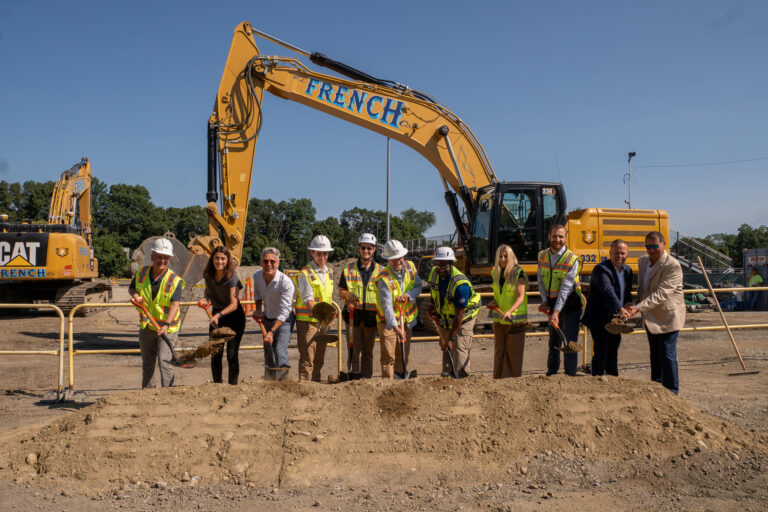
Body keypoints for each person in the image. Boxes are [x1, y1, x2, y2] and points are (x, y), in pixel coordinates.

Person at [623, 231, 685, 394]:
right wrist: (634, 304)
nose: (651, 250)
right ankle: (657, 390)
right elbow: (643, 288)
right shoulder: (643, 261)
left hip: (668, 316)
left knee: (667, 354)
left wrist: (638, 308)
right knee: (655, 355)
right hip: (650, 316)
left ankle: (672, 392)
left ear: (664, 245)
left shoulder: (672, 265)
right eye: (648, 246)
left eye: (654, 246)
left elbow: (662, 293)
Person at [129, 238, 185, 389]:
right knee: (148, 364)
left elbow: (175, 304)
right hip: (147, 326)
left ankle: (167, 396)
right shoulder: (141, 273)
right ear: (152, 256)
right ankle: (148, 395)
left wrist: (166, 325)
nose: (162, 260)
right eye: (159, 256)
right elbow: (132, 288)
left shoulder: (174, 280)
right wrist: (135, 296)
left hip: (168, 329)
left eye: (166, 257)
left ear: (170, 259)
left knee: (164, 362)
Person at [581, 239, 633, 377]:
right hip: (599, 319)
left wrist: (628, 303)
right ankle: (598, 381)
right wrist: (620, 308)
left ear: (627, 254)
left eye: (622, 253)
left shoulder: (628, 270)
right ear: (610, 253)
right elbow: (607, 290)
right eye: (616, 253)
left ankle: (613, 382)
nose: (619, 256)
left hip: (616, 320)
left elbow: (626, 292)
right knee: (601, 352)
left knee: (613, 352)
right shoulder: (601, 269)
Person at [428, 246, 481, 378]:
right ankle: (447, 377)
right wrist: (432, 306)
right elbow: (433, 291)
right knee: (446, 347)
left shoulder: (460, 284)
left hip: (464, 317)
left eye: (444, 265)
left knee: (459, 347)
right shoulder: (434, 273)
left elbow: (459, 315)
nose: (440, 268)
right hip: (446, 316)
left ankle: (462, 378)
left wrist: (452, 338)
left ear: (451, 264)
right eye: (438, 264)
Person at [538, 224, 583, 376]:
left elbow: (565, 289)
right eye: (555, 236)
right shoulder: (542, 256)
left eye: (561, 236)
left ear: (565, 238)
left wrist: (556, 311)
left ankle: (570, 377)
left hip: (571, 305)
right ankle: (552, 374)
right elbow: (541, 281)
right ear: (549, 237)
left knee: (569, 343)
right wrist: (545, 301)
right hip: (552, 303)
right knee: (554, 342)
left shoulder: (572, 260)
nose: (558, 239)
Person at [375, 239, 422, 378]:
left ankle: (401, 380)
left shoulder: (411, 267)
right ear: (388, 260)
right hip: (388, 323)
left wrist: (409, 295)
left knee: (403, 354)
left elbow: (418, 286)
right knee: (389, 357)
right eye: (394, 259)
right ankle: (388, 386)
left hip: (406, 320)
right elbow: (387, 306)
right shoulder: (383, 278)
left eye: (400, 258)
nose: (398, 262)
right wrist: (396, 328)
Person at [200, 246, 246, 384]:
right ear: (212, 259)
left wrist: (219, 315)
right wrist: (205, 300)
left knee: (231, 354)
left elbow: (234, 304)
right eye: (217, 258)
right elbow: (208, 291)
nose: (219, 261)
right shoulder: (208, 275)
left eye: (223, 259)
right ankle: (217, 385)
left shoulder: (232, 278)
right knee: (215, 353)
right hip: (217, 315)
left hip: (234, 317)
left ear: (227, 260)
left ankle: (233, 386)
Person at [339, 233, 382, 379]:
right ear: (359, 249)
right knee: (354, 349)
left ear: (374, 249)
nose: (366, 251)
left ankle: (366, 379)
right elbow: (341, 291)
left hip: (371, 318)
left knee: (368, 352)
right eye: (363, 247)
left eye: (369, 248)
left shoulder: (381, 271)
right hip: (353, 316)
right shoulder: (348, 269)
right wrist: (347, 295)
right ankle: (354, 377)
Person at [295, 235, 335, 382]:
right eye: (319, 253)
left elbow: (329, 299)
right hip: (308, 322)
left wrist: (328, 318)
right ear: (312, 253)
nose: (322, 257)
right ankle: (305, 390)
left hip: (322, 321)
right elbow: (308, 300)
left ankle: (316, 389)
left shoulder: (329, 272)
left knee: (319, 358)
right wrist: (323, 316)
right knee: (308, 358)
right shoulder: (305, 273)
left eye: (325, 253)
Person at [252, 247, 295, 380]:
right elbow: (258, 294)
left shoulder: (286, 283)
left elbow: (284, 312)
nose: (269, 264)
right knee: (268, 351)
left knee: (280, 351)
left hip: (284, 320)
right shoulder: (257, 276)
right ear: (261, 262)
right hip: (267, 318)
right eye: (266, 261)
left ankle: (283, 383)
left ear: (278, 263)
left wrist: (272, 331)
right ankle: (270, 383)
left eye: (272, 261)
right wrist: (258, 310)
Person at [490, 244, 528, 378]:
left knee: (513, 354)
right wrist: (494, 303)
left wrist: (510, 311)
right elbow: (498, 295)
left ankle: (512, 383)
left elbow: (520, 296)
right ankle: (498, 380)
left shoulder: (518, 273)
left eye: (506, 256)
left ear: (511, 256)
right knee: (499, 352)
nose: (503, 259)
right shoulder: (495, 273)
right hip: (499, 319)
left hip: (514, 320)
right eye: (500, 256)